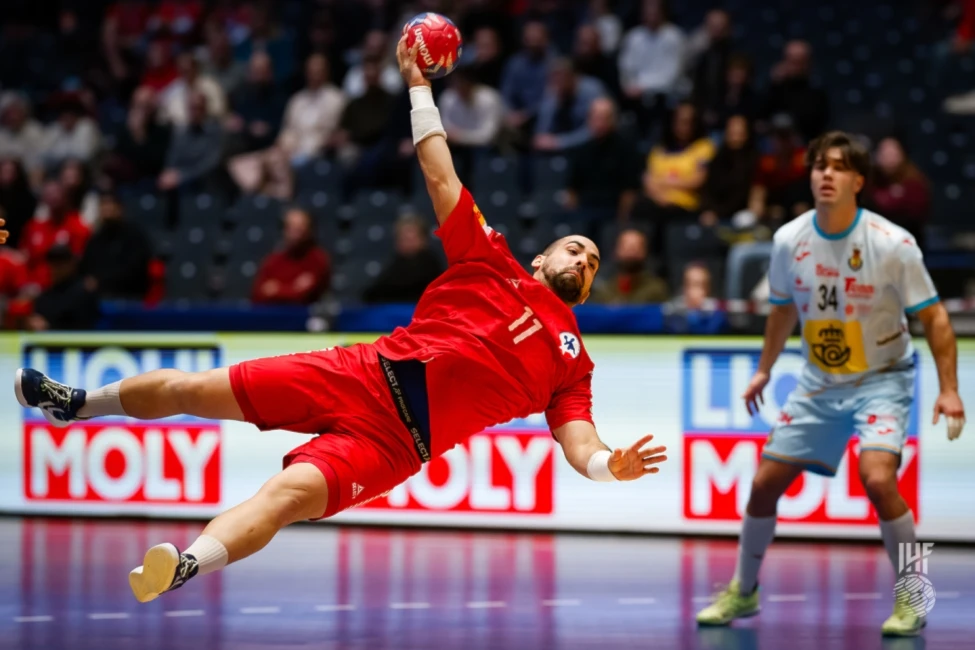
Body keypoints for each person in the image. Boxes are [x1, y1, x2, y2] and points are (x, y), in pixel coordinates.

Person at [13, 35, 669, 605]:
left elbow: (580, 446)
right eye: (574, 246)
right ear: (541, 254)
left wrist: (612, 467)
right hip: (357, 373)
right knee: (192, 390)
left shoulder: (571, 361)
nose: (582, 257)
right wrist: (418, 89)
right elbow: (441, 177)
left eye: (591, 260)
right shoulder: (491, 259)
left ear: (586, 288)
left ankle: (185, 563)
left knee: (284, 497)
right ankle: (80, 404)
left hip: (391, 444)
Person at [694, 131, 966, 637]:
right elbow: (781, 311)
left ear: (858, 180)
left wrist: (949, 389)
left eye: (839, 167)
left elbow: (936, 320)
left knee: (880, 479)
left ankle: (912, 596)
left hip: (883, 379)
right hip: (818, 383)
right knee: (762, 484)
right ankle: (743, 591)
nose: (826, 174)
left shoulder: (892, 244)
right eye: (819, 165)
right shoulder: (787, 240)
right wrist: (764, 368)